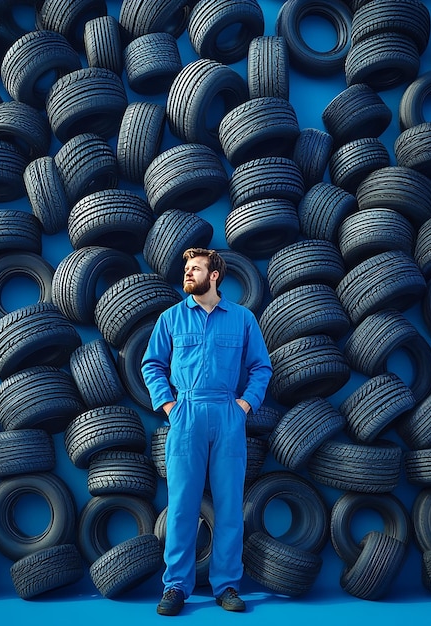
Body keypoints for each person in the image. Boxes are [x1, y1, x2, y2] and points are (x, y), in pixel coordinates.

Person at [141, 247, 273, 616]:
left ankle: (227, 585)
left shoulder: (243, 319)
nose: (187, 273)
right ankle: (175, 587)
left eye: (195, 268)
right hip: (186, 415)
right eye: (186, 268)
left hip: (228, 414)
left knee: (229, 505)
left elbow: (261, 368)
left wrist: (245, 405)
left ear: (214, 275)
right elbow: (151, 364)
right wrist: (169, 405)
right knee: (183, 506)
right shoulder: (171, 319)